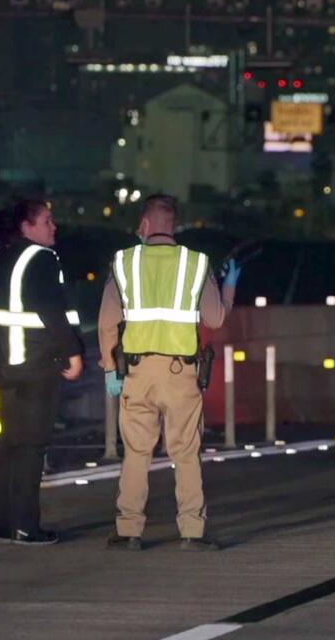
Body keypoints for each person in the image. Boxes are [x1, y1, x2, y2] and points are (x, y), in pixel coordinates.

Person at [98, 194, 237, 552]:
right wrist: (230, 287)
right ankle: (192, 531)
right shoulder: (196, 263)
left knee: (136, 453)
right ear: (175, 226)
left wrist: (111, 368)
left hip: (137, 373)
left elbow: (106, 324)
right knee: (186, 452)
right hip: (181, 373)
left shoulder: (124, 262)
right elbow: (216, 319)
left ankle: (129, 531)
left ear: (144, 225)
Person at [0, 198, 84, 546]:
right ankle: (25, 526)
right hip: (34, 365)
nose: (54, 227)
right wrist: (73, 352)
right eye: (47, 221)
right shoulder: (41, 258)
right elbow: (51, 308)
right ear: (27, 227)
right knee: (31, 446)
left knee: (11, 443)